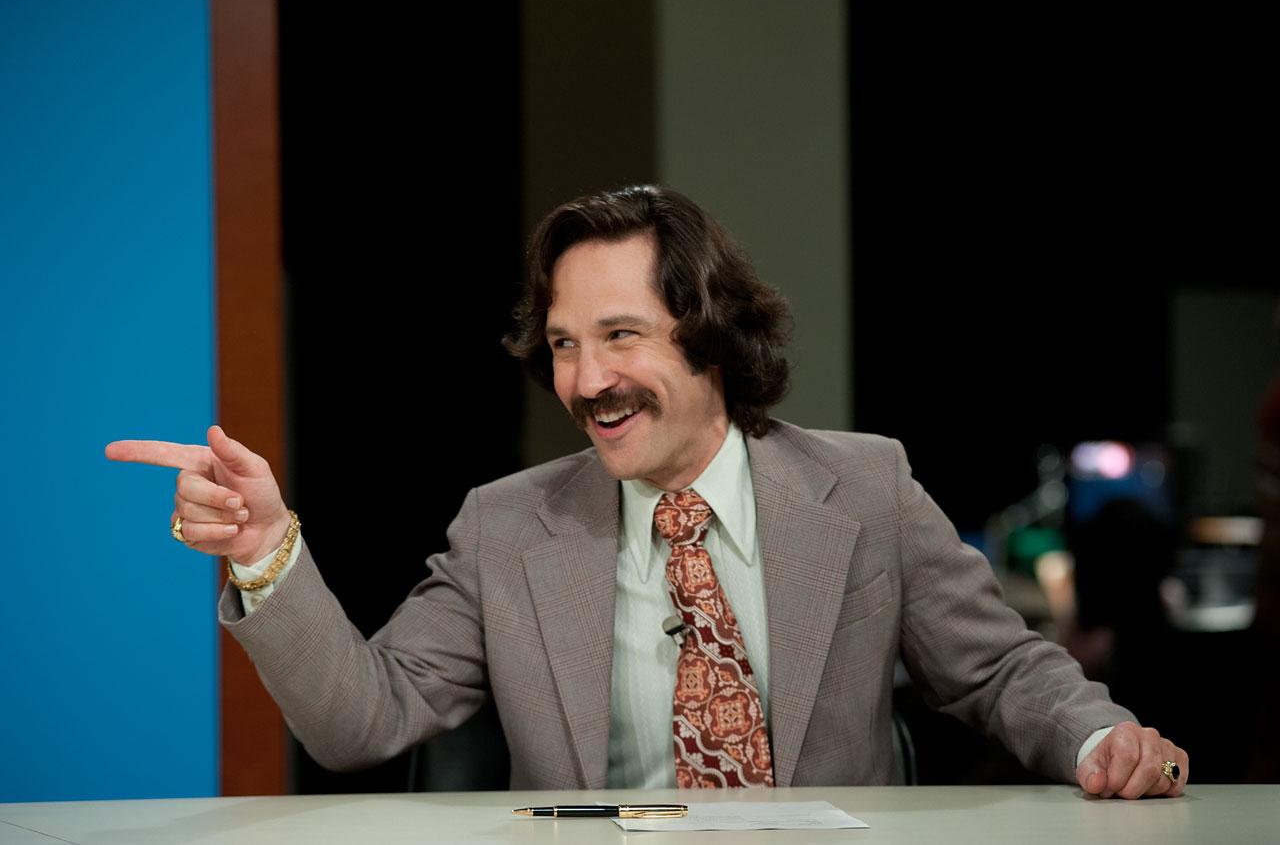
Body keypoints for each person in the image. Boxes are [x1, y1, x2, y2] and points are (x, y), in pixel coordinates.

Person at [108, 185, 1188, 797]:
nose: (586, 381)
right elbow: (363, 720)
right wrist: (266, 551)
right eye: (564, 344)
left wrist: (1100, 740)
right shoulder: (505, 526)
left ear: (710, 335)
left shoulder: (866, 487)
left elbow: (998, 670)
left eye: (620, 335)